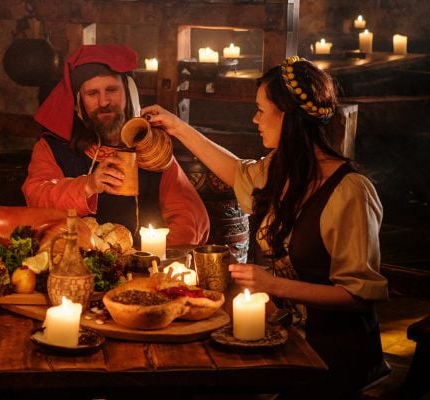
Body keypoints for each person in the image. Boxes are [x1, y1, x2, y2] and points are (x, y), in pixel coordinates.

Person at [145, 56, 389, 397]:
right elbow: (237, 174)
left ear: (286, 115)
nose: (254, 119)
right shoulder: (281, 168)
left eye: (261, 110)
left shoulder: (350, 192)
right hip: (285, 335)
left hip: (333, 357)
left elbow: (359, 296)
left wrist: (272, 284)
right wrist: (177, 128)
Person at [22, 44, 209, 246]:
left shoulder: (150, 149)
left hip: (142, 269)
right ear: (79, 102)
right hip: (75, 268)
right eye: (92, 93)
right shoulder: (54, 146)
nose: (104, 102)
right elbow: (36, 197)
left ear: (129, 93)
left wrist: (159, 258)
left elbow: (191, 218)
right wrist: (88, 186)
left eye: (111, 90)